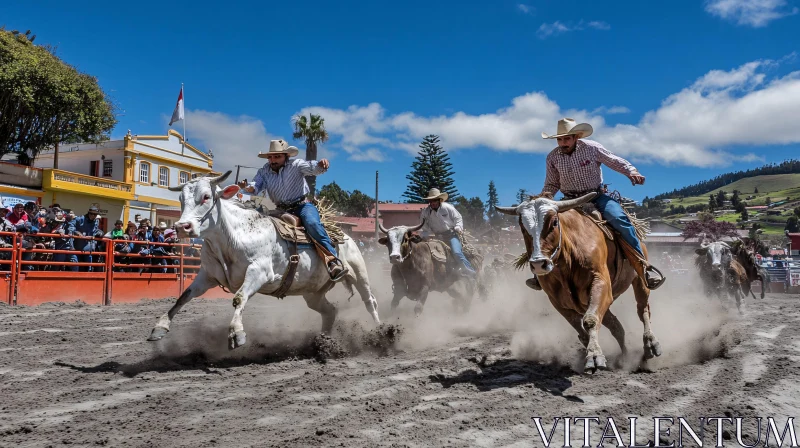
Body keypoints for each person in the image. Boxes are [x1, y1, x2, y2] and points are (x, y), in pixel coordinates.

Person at [528, 117, 665, 290]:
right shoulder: (553, 158)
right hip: (570, 200)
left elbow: (613, 160)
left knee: (620, 220)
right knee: (545, 226)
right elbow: (552, 183)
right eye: (560, 139)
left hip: (596, 196)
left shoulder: (592, 148)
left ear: (576, 136)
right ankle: (538, 274)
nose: (563, 142)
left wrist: (631, 171)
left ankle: (643, 267)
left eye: (566, 138)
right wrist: (544, 198)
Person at [238, 139, 348, 281]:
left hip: (302, 206)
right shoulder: (264, 171)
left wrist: (321, 164)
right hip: (280, 210)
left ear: (286, 156)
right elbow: (255, 187)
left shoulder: (296, 165)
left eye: (277, 156)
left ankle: (333, 261)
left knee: (312, 224)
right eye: (270, 157)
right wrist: (247, 187)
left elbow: (312, 167)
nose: (273, 160)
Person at [418, 188, 477, 278]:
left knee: (456, 252)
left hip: (451, 235)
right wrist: (425, 234)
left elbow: (458, 218)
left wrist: (458, 227)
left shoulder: (447, 207)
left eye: (434, 200)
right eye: (431, 201)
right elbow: (424, 226)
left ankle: (470, 272)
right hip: (436, 237)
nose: (433, 203)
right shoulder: (425, 213)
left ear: (439, 200)